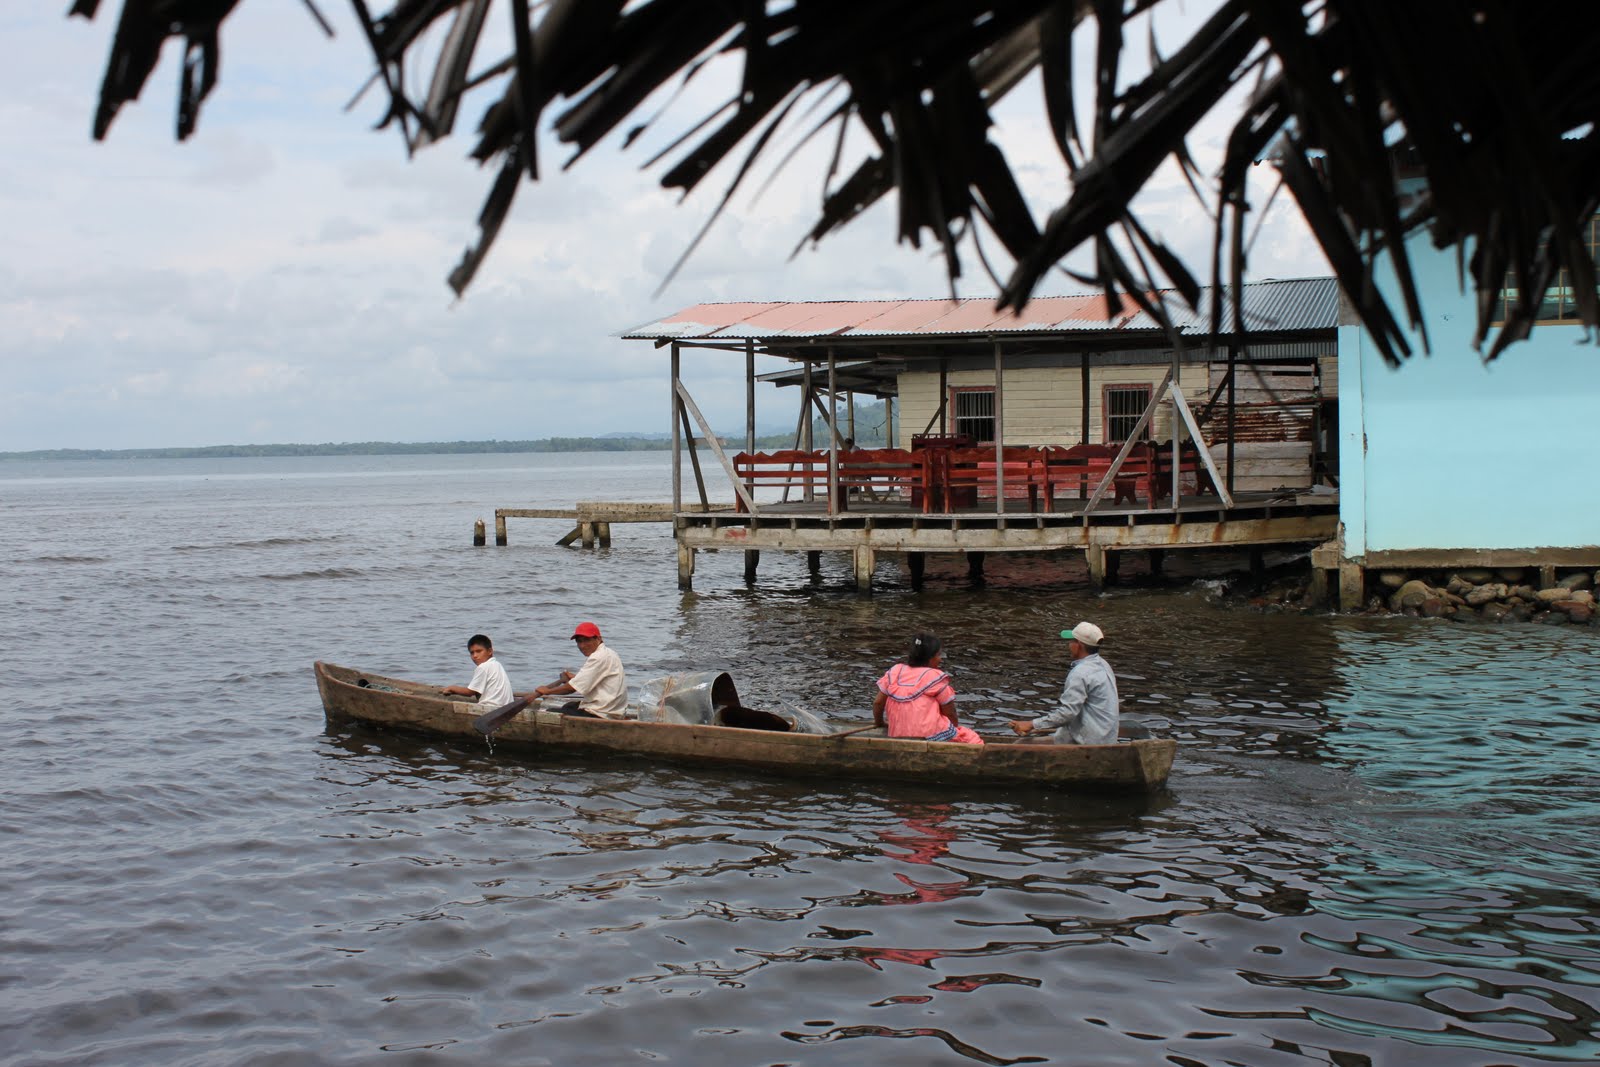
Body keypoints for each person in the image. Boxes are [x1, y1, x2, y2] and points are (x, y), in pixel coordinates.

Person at [1010, 621, 1119, 744]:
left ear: (1078, 645)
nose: (1069, 645)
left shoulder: (1080, 673)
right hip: (1106, 738)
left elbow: (1067, 713)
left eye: (1071, 641)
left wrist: (1031, 724)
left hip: (1089, 743)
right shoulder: (1104, 665)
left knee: (1020, 745)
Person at [872, 633, 983, 745]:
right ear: (930, 658)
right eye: (938, 655)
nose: (940, 659)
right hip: (931, 736)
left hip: (897, 733)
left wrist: (880, 723)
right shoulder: (935, 677)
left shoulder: (895, 672)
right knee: (972, 739)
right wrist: (954, 732)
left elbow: (878, 703)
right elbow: (950, 713)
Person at [526, 621, 629, 718]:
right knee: (569, 706)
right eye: (579, 641)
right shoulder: (610, 653)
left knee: (549, 713)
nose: (582, 646)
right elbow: (594, 680)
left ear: (598, 639)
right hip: (613, 709)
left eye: (587, 640)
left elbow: (570, 689)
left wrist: (547, 691)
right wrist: (575, 678)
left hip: (602, 713)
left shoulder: (598, 657)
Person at [441, 633, 515, 708]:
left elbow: (469, 692)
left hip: (491, 709)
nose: (475, 656)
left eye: (479, 651)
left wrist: (451, 688)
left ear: (490, 651)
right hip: (506, 708)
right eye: (472, 653)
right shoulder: (497, 664)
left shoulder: (483, 667)